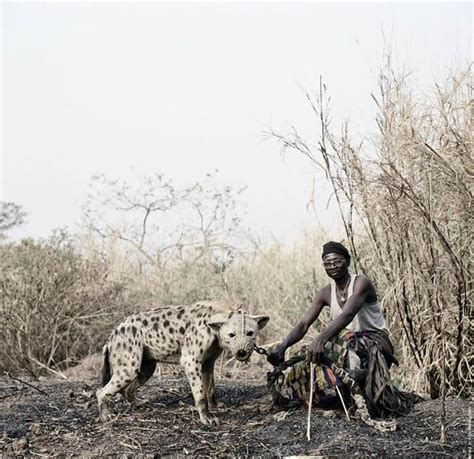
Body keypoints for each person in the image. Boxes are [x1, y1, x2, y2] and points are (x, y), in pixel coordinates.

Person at [267, 241, 418, 416]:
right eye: (327, 263)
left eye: (337, 262)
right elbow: (304, 324)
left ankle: (358, 383)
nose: (332, 267)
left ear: (347, 261)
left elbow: (348, 314)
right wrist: (282, 346)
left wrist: (321, 339)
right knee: (309, 355)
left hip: (375, 341)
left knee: (341, 339)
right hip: (347, 343)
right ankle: (338, 388)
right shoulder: (325, 292)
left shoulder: (361, 283)